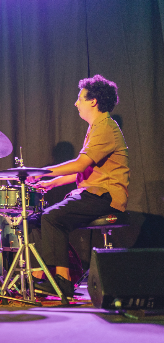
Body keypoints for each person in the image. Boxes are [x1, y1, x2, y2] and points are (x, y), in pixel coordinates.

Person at [26, 75, 129, 298]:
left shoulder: (105, 128)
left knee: (51, 218)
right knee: (33, 220)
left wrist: (41, 172)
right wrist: (51, 182)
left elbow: (80, 164)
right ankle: (38, 279)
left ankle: (62, 282)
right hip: (92, 193)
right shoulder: (96, 128)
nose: (76, 103)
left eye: (80, 98)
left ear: (93, 101)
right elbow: (84, 171)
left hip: (104, 196)